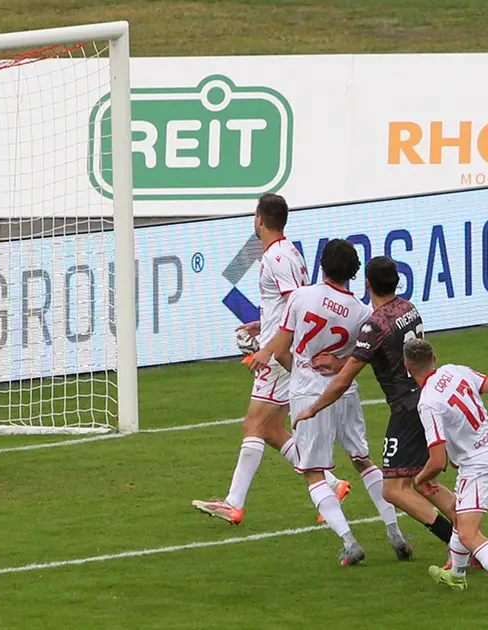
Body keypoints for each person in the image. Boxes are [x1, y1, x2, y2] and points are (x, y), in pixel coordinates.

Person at [254, 239, 412, 565]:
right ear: (354, 273)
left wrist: (299, 370)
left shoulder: (300, 297)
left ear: (321, 265)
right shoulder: (363, 312)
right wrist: (338, 365)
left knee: (313, 472)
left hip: (309, 393)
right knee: (363, 460)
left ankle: (349, 541)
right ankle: (395, 531)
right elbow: (361, 358)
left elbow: (281, 349)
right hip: (345, 392)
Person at [192, 195, 348, 524]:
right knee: (274, 431)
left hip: (279, 353)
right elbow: (290, 305)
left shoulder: (276, 256)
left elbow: (298, 305)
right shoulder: (288, 252)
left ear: (259, 220)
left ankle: (234, 503)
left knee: (254, 424)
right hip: (281, 345)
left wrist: (271, 347)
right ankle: (331, 484)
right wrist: (263, 323)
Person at [294, 257, 456, 545]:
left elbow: (344, 381)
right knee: (424, 480)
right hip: (428, 394)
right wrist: (342, 360)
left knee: (393, 490)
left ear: (367, 284)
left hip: (406, 407)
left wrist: (313, 408)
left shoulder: (375, 325)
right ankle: (472, 537)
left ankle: (455, 541)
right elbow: (388, 352)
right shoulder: (409, 308)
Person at [404, 338, 488, 610]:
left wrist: (419, 480)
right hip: (485, 451)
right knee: (461, 516)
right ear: (435, 358)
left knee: (468, 533)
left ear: (407, 367)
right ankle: (457, 575)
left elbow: (437, 460)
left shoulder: (427, 402)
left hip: (479, 463)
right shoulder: (455, 370)